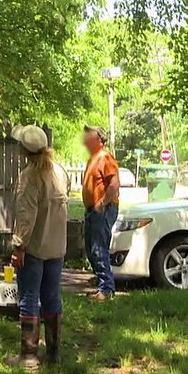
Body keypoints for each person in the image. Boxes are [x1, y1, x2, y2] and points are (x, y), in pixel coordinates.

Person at [7, 124, 71, 368]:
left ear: (24, 150)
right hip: (57, 247)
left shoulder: (29, 177)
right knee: (52, 297)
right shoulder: (59, 172)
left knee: (29, 298)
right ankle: (54, 354)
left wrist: (18, 247)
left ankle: (29, 356)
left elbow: (26, 216)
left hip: (34, 248)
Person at [81, 125, 120, 301]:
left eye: (89, 135)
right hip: (92, 210)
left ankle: (107, 289)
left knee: (98, 248)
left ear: (98, 139)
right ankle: (101, 284)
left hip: (103, 209)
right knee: (91, 249)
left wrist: (102, 203)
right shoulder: (93, 159)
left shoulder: (105, 157)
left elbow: (114, 185)